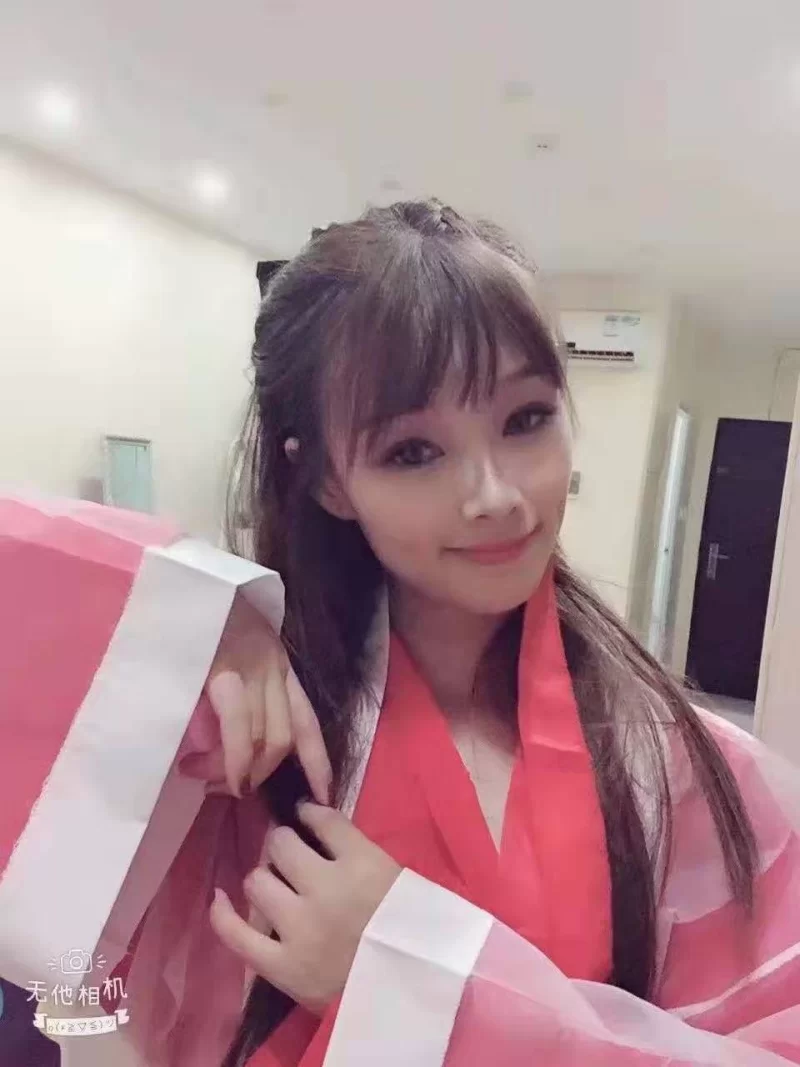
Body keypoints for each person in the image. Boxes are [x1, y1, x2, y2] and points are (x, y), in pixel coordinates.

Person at [198, 199, 800, 1066]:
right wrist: (199, 609)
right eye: (413, 451)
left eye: (525, 419)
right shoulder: (255, 724)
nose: (495, 495)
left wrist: (418, 986)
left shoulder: (675, 766)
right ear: (326, 477)